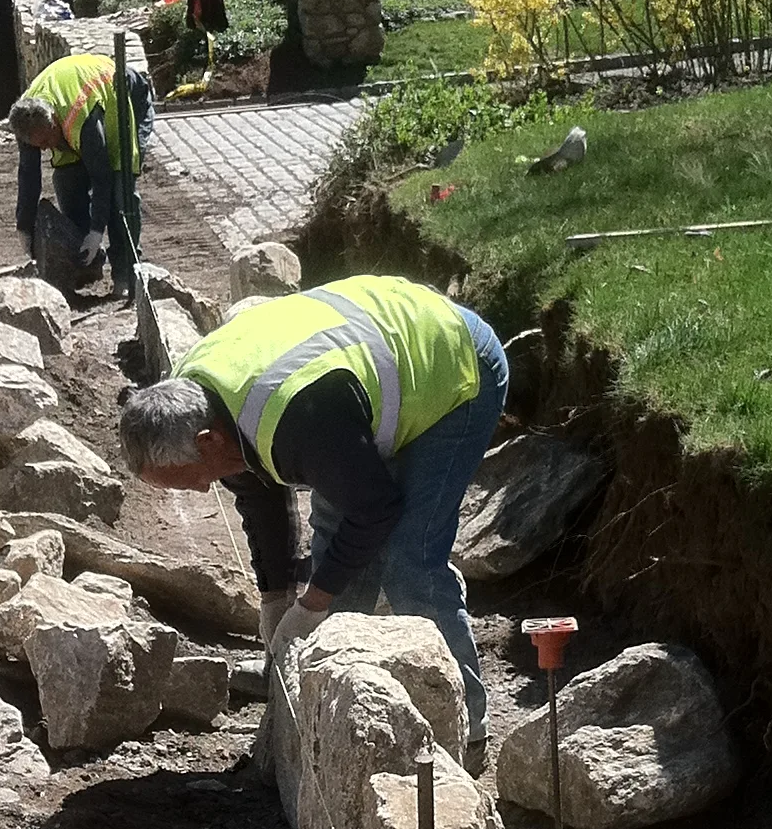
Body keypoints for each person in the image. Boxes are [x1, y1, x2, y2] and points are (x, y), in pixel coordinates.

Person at [118, 276, 509, 765]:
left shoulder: (293, 419)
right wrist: (276, 598)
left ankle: (468, 731)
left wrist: (312, 605)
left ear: (208, 442)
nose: (198, 490)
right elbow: (261, 500)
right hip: (358, 381)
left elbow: (375, 508)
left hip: (453, 365)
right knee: (338, 570)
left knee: (411, 561)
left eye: (188, 479)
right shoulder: (196, 399)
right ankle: (326, 718)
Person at [9, 52, 155, 293]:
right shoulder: (26, 117)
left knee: (121, 192)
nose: (45, 148)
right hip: (80, 111)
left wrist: (97, 231)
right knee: (66, 182)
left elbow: (102, 175)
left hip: (126, 100)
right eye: (39, 145)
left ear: (54, 122)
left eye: (47, 140)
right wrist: (23, 227)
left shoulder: (80, 117)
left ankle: (126, 274)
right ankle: (86, 262)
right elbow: (28, 175)